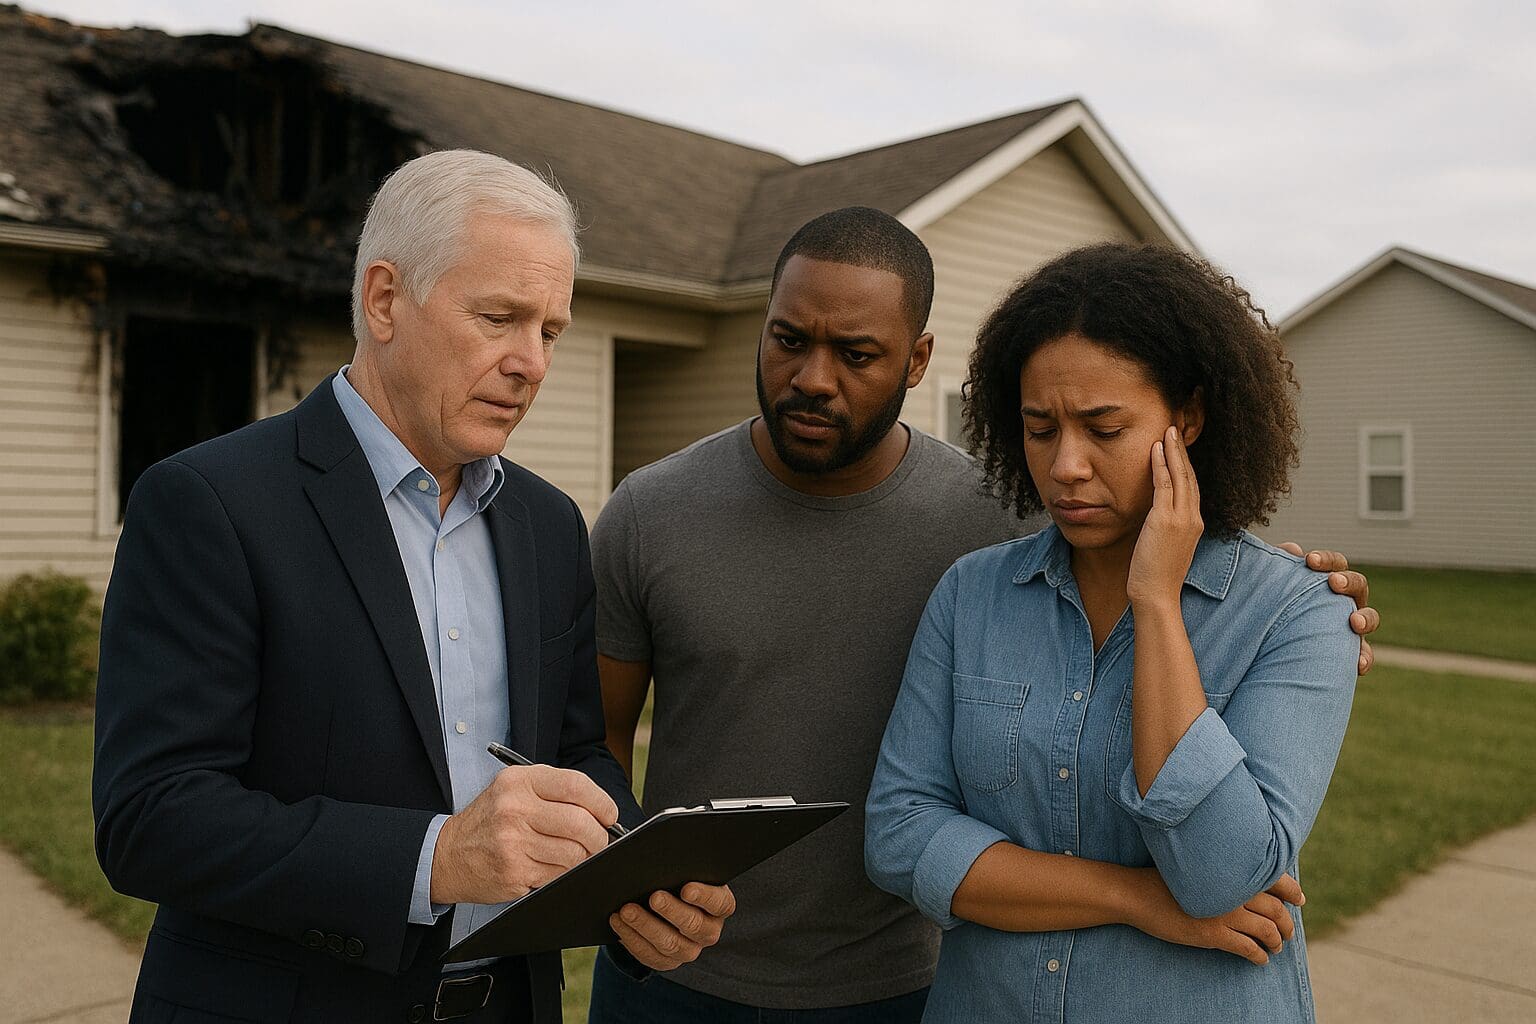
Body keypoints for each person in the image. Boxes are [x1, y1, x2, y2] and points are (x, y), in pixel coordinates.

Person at [588, 209, 1379, 1022]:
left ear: (917, 358)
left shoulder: (998, 513)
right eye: (789, 339)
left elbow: (1226, 869)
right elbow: (597, 743)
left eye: (857, 353)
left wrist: (1206, 596)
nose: (1066, 468)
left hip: (892, 985)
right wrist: (623, 903)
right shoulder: (659, 514)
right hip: (681, 978)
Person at [92, 150, 733, 1024]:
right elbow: (152, 819)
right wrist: (434, 859)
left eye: (550, 330)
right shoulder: (209, 503)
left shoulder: (549, 526)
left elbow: (576, 754)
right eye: (499, 317)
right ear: (385, 300)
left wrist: (636, 884)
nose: (531, 363)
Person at [866, 242, 1362, 1022]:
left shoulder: (1299, 613)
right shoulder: (973, 595)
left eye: (1103, 428)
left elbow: (1222, 875)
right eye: (1040, 428)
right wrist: (1136, 899)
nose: (1065, 465)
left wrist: (1158, 602)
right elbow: (900, 834)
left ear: (1188, 417)